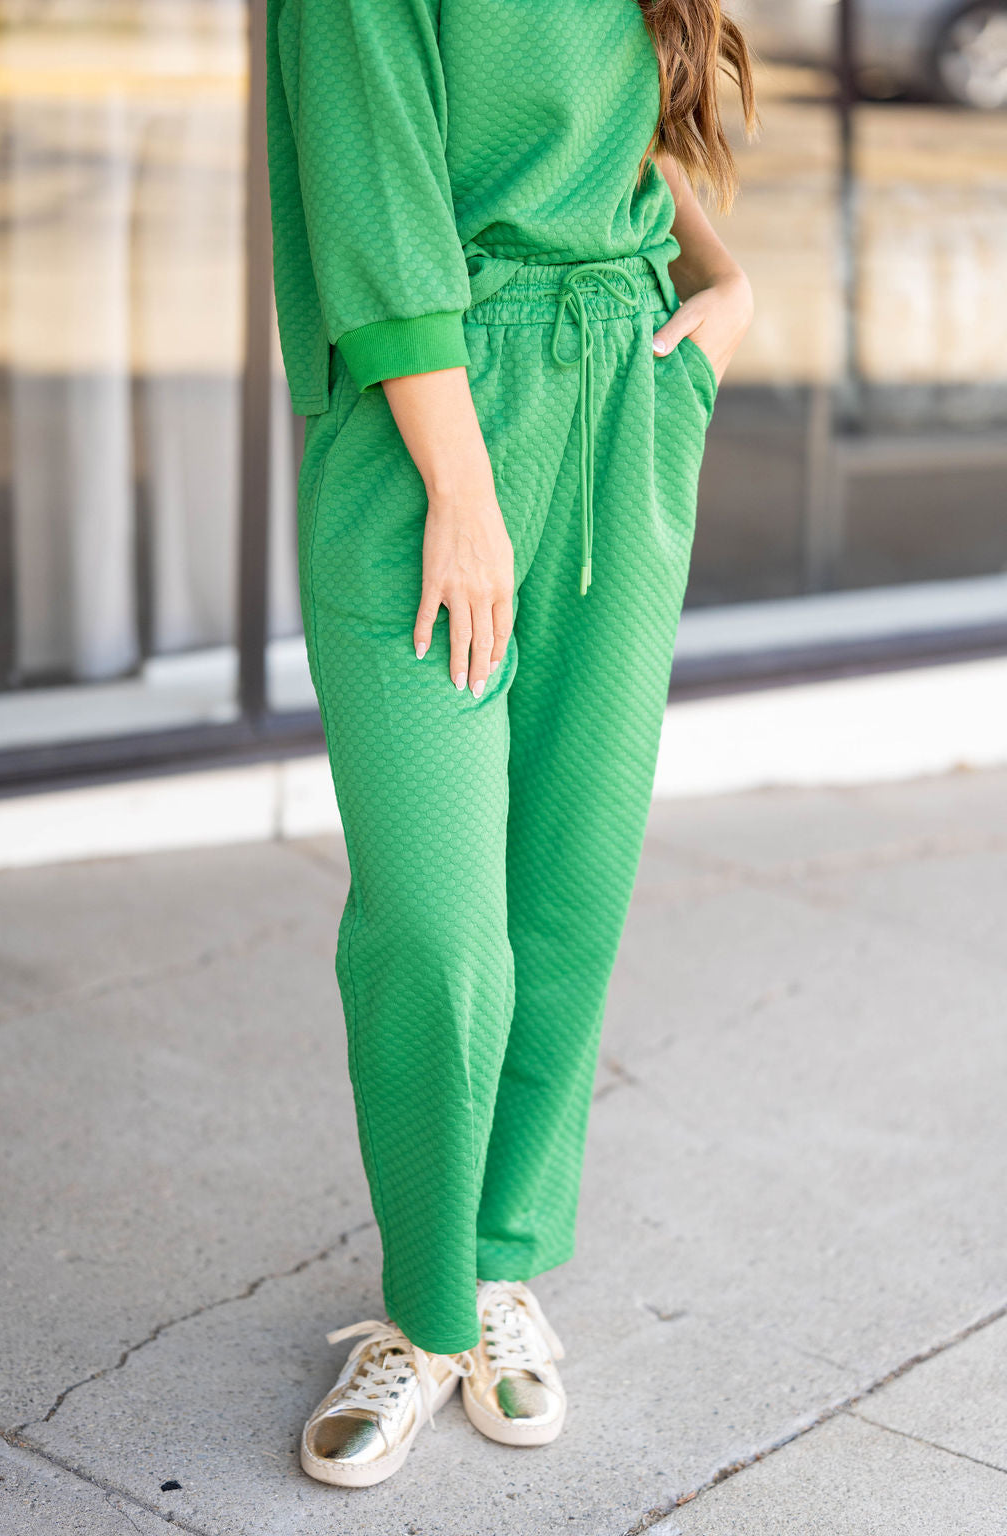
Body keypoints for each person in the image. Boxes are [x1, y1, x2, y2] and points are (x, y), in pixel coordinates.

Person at [265, 0, 757, 1488]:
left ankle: (496, 1270)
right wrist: (463, 498)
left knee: (566, 881)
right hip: (427, 440)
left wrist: (721, 289)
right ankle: (421, 1319)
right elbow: (374, 192)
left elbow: (638, 136)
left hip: (620, 395)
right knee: (435, 923)